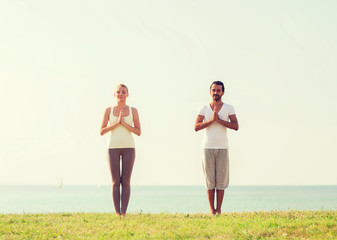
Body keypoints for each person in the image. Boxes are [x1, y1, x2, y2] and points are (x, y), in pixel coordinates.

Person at [194, 81, 239, 215]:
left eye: (218, 90)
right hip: (207, 147)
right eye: (213, 90)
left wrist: (219, 120)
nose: (216, 93)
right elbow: (196, 127)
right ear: (210, 92)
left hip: (223, 148)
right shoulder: (204, 108)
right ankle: (211, 210)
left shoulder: (229, 108)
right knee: (209, 180)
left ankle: (219, 209)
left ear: (223, 92)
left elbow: (236, 126)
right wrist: (211, 120)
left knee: (220, 180)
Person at [100, 84, 141, 216]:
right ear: (114, 94)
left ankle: (123, 212)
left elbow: (138, 131)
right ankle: (117, 212)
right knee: (115, 181)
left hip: (129, 148)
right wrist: (116, 123)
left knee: (126, 181)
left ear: (127, 94)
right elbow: (102, 131)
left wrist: (124, 124)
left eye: (123, 92)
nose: (121, 94)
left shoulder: (133, 110)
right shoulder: (108, 110)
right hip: (112, 148)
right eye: (118, 92)